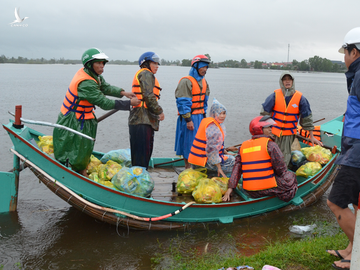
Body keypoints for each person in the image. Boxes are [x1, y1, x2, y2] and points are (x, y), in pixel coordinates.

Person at [53, 48, 139, 177]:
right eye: (98, 63)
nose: (102, 66)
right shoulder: (86, 82)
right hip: (73, 118)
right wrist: (128, 104)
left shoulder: (94, 76)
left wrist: (123, 93)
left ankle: (79, 168)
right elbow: (104, 103)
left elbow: (105, 87)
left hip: (85, 117)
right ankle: (73, 170)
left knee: (84, 146)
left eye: (103, 63)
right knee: (74, 145)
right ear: (89, 64)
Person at [326, 27, 360, 270]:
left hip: (358, 149)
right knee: (357, 203)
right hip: (353, 145)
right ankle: (350, 249)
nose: (344, 58)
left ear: (355, 51)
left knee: (335, 201)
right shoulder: (357, 75)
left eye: (345, 52)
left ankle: (357, 255)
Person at [222, 115, 298, 202]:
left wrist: (230, 188)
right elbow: (281, 169)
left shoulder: (243, 146)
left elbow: (237, 169)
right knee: (290, 176)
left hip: (250, 191)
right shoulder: (271, 145)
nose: (270, 129)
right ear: (259, 129)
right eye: (268, 127)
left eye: (270, 127)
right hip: (266, 189)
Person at [260, 71, 322, 166]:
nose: (287, 81)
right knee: (269, 154)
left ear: (293, 81)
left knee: (284, 157)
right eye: (285, 79)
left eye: (289, 79)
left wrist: (312, 137)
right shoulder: (274, 96)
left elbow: (307, 118)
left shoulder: (301, 98)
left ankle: (281, 176)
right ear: (281, 82)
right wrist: (262, 132)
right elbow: (263, 114)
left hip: (288, 135)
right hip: (273, 133)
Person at [129, 51, 164, 170]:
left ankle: (139, 178)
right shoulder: (146, 73)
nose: (157, 66)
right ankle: (139, 181)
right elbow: (149, 96)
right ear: (146, 63)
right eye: (154, 63)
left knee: (141, 153)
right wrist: (159, 111)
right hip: (142, 119)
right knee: (142, 154)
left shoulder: (144, 74)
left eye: (158, 63)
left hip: (141, 118)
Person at [174, 55, 211, 169]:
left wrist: (205, 118)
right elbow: (182, 102)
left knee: (200, 143)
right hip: (189, 117)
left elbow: (205, 101)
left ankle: (197, 167)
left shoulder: (204, 82)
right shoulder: (186, 81)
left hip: (200, 117)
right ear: (196, 66)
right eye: (203, 67)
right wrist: (188, 119)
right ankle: (187, 167)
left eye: (206, 67)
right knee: (188, 143)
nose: (205, 70)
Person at [188, 98, 235, 178]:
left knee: (228, 156)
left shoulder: (208, 122)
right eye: (219, 113)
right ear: (214, 113)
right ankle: (216, 175)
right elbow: (212, 151)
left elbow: (211, 145)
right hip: (203, 164)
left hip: (195, 162)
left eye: (224, 113)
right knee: (234, 161)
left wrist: (225, 152)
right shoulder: (214, 129)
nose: (222, 116)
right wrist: (219, 168)